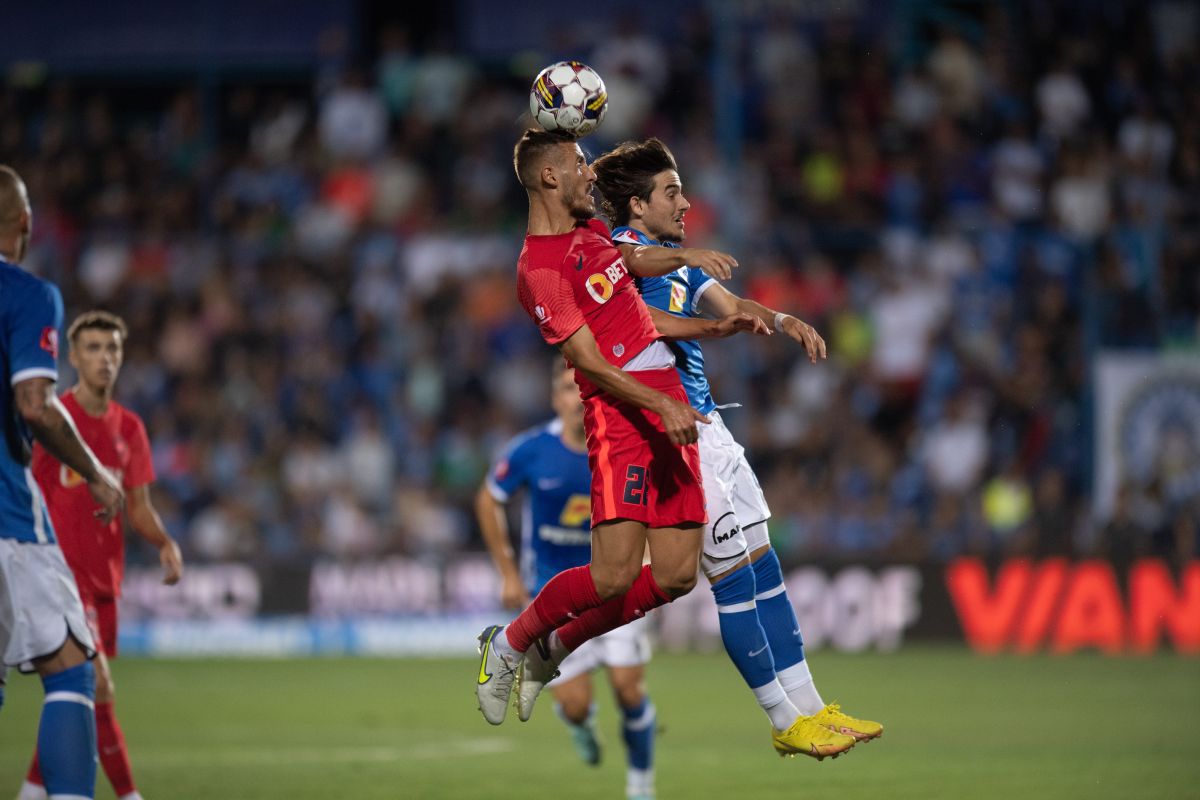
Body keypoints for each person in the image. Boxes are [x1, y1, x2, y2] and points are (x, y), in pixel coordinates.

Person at [592, 138, 883, 752]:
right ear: (637, 206)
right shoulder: (617, 255)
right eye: (671, 192)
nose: (685, 201)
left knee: (763, 565)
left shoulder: (678, 260)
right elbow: (644, 299)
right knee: (730, 576)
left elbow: (731, 304)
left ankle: (812, 706)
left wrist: (781, 321)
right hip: (671, 434)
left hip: (713, 430)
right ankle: (782, 721)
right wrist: (688, 264)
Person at [19, 311, 185, 800]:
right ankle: (130, 796)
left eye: (111, 348)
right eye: (92, 348)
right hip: (58, 575)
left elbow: (138, 505)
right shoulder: (51, 420)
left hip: (104, 579)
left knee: (75, 697)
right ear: (72, 357)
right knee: (98, 686)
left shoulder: (129, 428)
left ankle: (31, 791)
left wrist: (164, 542)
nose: (104, 358)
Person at [0, 164, 125, 800]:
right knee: (70, 669)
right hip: (8, 519)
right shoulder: (26, 293)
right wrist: (96, 472)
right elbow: (33, 404)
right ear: (23, 225)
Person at [477, 362, 657, 800]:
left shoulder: (622, 445)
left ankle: (641, 787)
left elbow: (653, 502)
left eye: (583, 387)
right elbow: (489, 498)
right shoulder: (532, 450)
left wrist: (650, 556)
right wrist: (506, 571)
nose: (576, 396)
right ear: (555, 398)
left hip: (618, 586)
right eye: (565, 388)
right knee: (575, 706)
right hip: (553, 595)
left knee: (627, 687)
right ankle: (581, 724)